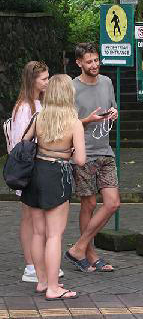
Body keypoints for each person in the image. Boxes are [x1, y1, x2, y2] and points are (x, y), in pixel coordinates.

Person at [20, 74, 86, 300]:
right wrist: (67, 152)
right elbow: (80, 160)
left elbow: (25, 141)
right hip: (57, 175)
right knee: (54, 235)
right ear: (68, 93)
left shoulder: (40, 116)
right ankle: (54, 287)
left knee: (38, 232)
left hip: (35, 174)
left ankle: (41, 281)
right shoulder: (74, 121)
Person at [5, 61, 66, 283]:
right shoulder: (25, 107)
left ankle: (37, 265)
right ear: (33, 80)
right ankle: (31, 265)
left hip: (37, 169)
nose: (47, 82)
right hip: (31, 168)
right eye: (44, 79)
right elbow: (21, 143)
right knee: (29, 218)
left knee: (33, 218)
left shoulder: (37, 103)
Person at [64, 43, 119, 273]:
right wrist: (88, 120)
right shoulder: (72, 88)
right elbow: (67, 124)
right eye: (89, 62)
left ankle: (78, 248)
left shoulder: (107, 82)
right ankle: (90, 254)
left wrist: (115, 113)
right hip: (83, 153)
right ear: (79, 63)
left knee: (112, 203)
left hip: (105, 151)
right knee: (89, 204)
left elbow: (112, 108)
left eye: (96, 60)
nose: (94, 65)